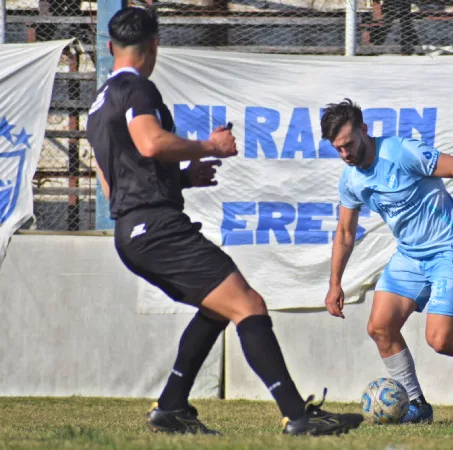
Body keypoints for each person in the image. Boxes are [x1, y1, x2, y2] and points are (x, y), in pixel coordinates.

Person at [85, 6, 363, 436]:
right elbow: (150, 142)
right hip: (157, 227)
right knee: (248, 304)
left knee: (216, 308)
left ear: (110, 47)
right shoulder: (137, 91)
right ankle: (298, 416)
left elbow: (114, 181)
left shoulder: (98, 105)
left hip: (131, 232)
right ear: (154, 45)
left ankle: (172, 407)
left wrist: (181, 179)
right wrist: (207, 145)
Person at [321, 98, 453, 423]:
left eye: (349, 145)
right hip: (409, 258)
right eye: (338, 149)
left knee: (440, 340)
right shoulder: (351, 179)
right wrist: (334, 285)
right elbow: (344, 232)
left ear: (364, 131)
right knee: (380, 328)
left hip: (451, 254)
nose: (346, 154)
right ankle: (417, 405)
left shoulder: (400, 152)